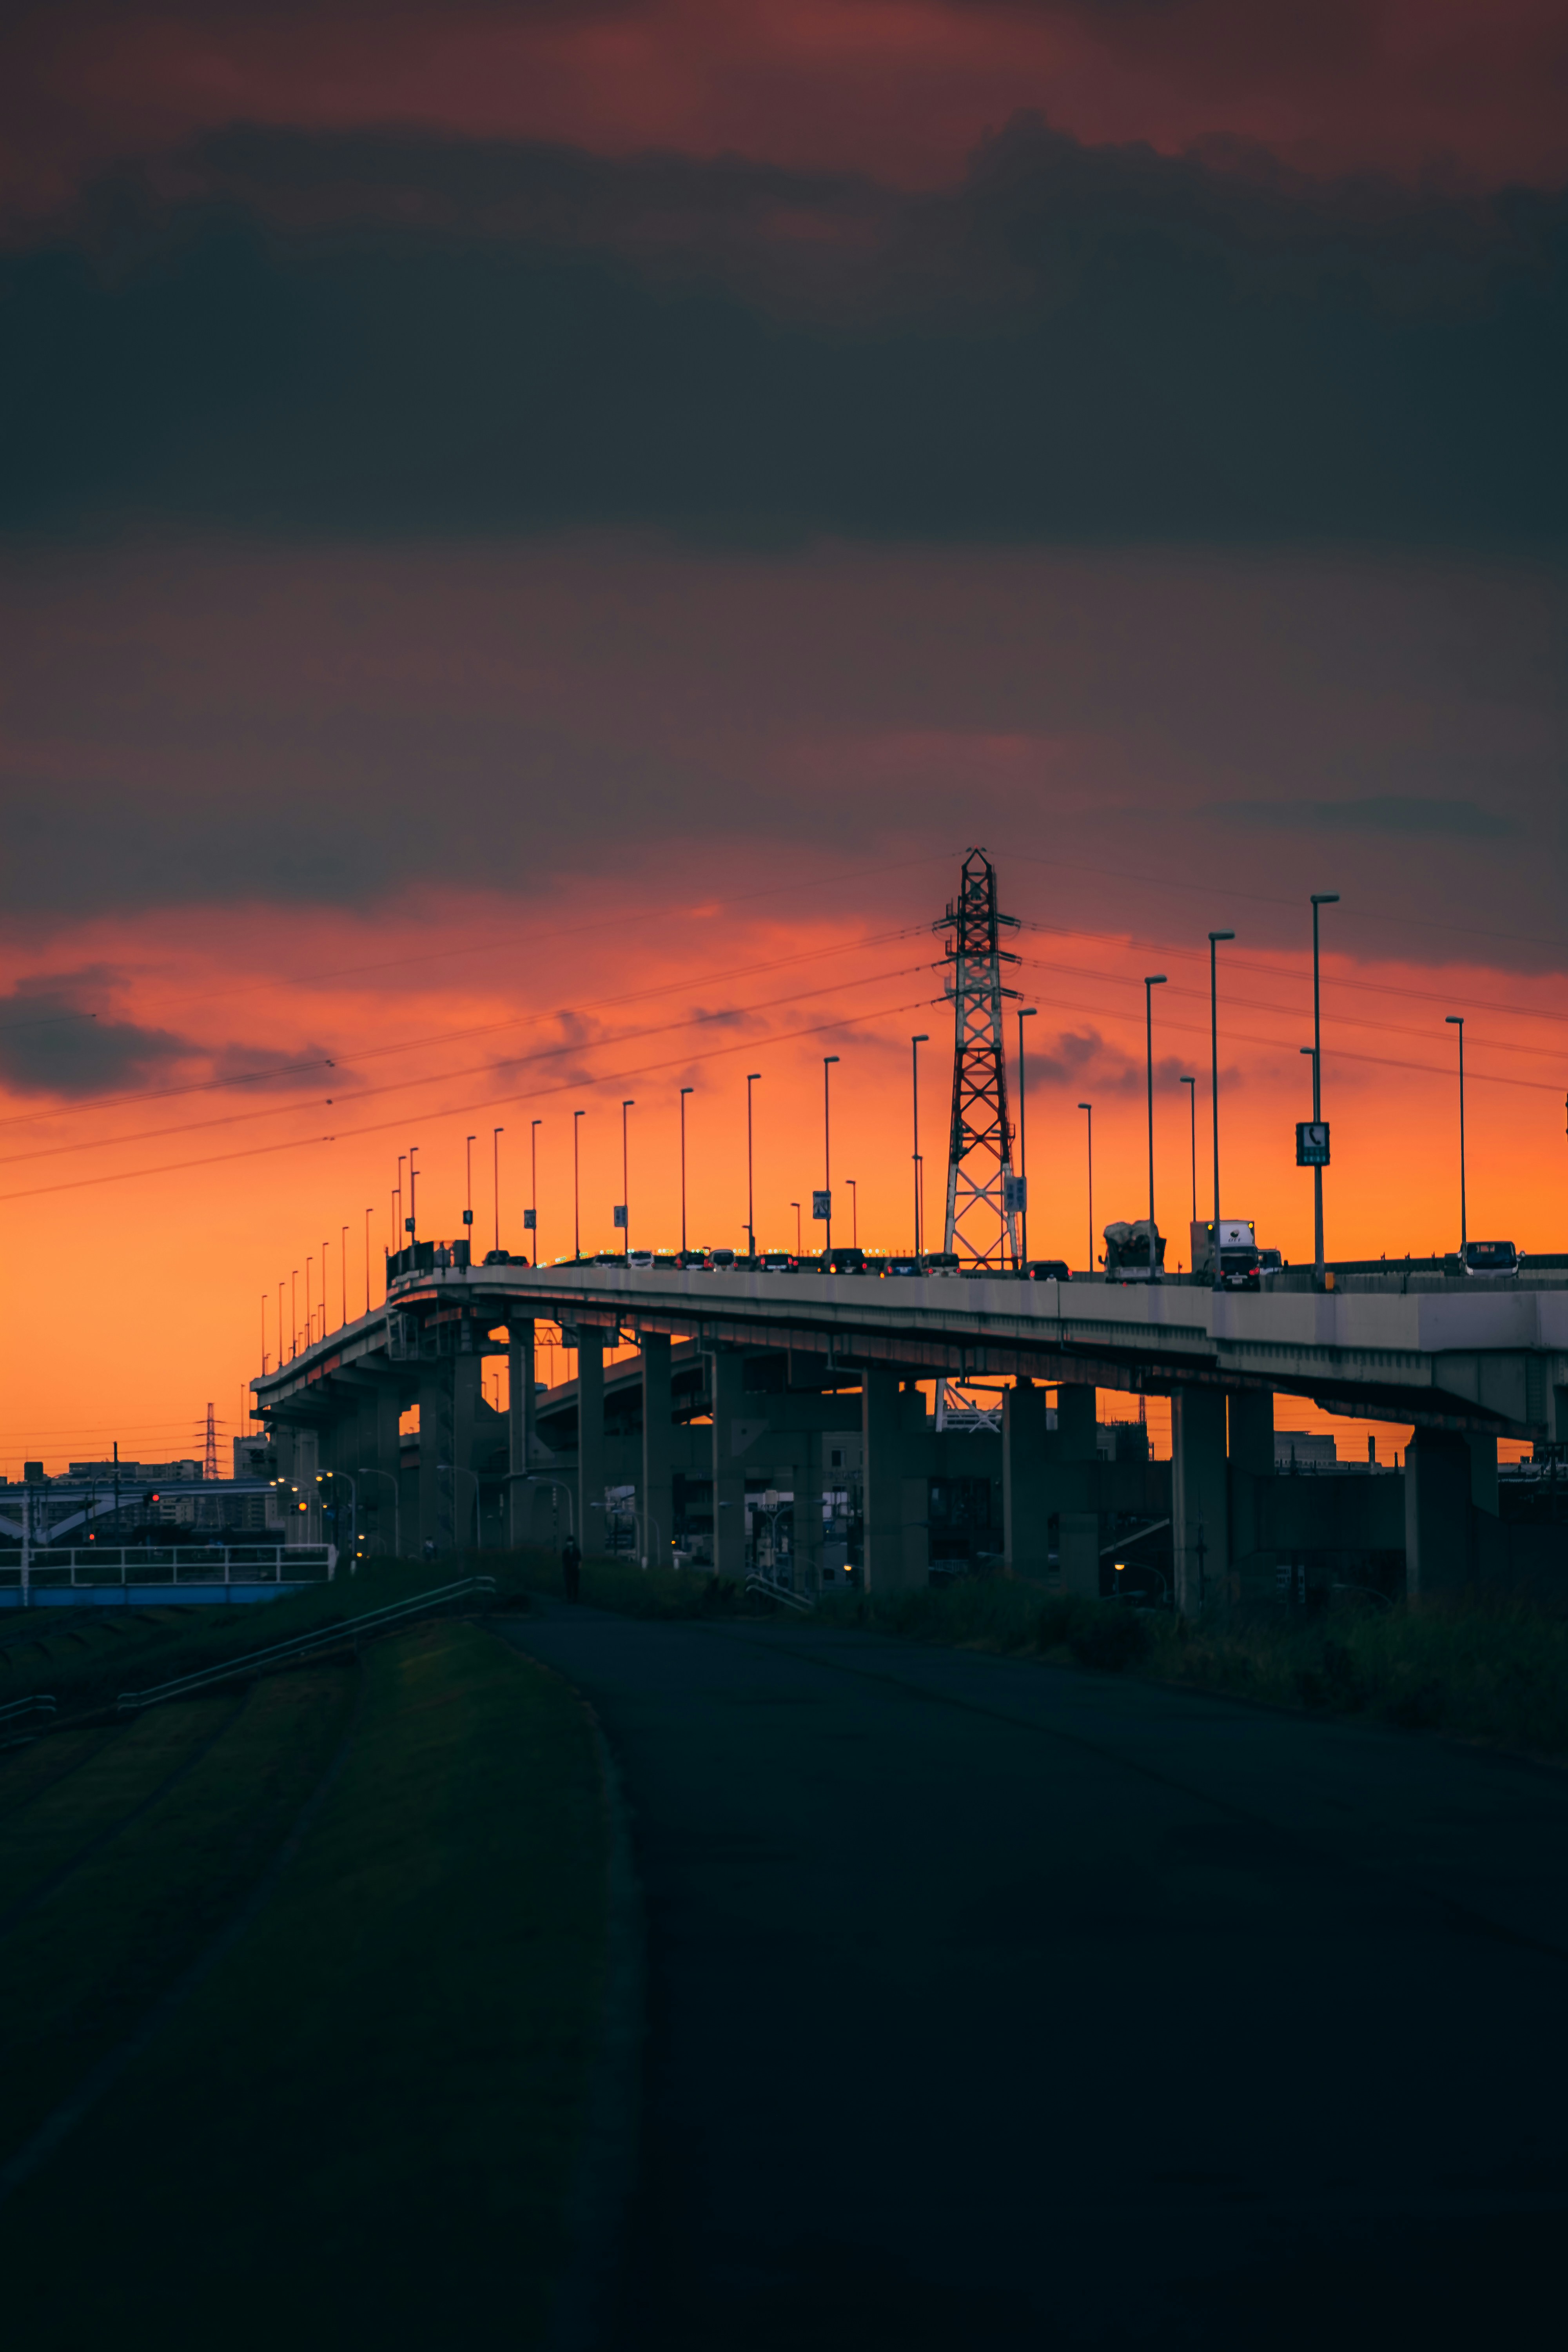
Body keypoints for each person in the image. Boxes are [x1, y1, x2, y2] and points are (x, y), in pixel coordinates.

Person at [562, 1535, 582, 1604]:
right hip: (568, 1571)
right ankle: (569, 1598)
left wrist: (579, 1569)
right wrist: (564, 1570)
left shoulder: (577, 1551)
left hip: (576, 1571)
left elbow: (580, 1561)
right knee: (568, 1585)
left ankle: (575, 1598)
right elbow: (564, 1562)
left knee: (576, 1585)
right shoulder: (565, 1552)